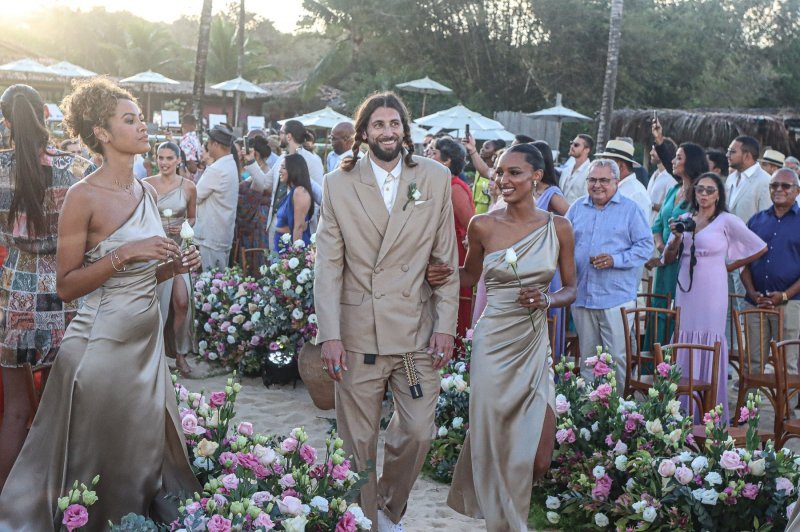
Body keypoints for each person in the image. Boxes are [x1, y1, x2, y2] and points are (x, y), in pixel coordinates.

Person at [0, 77, 201, 528]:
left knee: (138, 463)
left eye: (141, 119)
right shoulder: (82, 195)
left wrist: (174, 265)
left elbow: (144, 276)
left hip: (145, 353)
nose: (143, 127)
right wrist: (127, 252)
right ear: (103, 133)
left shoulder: (146, 191)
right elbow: (67, 285)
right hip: (99, 350)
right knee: (98, 472)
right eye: (130, 120)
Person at [314, 91, 459, 530]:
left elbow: (445, 260)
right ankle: (367, 520)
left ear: (405, 130)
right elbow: (328, 266)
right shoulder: (338, 183)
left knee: (418, 431)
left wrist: (446, 327)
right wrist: (330, 334)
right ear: (364, 133)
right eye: (378, 125)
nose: (387, 132)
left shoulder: (433, 177)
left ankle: (389, 508)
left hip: (416, 333)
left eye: (394, 124)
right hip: (358, 332)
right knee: (357, 440)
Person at [447, 143, 577, 531]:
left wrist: (549, 298)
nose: (503, 180)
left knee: (538, 457)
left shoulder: (559, 227)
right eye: (500, 172)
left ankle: (508, 514)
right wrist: (435, 273)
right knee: (492, 442)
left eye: (514, 172)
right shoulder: (483, 225)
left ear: (536, 176)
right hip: (492, 343)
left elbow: (571, 288)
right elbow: (469, 277)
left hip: (534, 345)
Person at [0, 85, 87, 490]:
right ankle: (56, 500)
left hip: (13, 294)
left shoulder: (0, 168)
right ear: (45, 115)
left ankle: (5, 502)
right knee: (60, 411)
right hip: (64, 294)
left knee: (15, 412)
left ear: (6, 122)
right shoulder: (73, 168)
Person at [663, 172, 766, 422]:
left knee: (709, 340)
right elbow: (667, 258)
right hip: (686, 287)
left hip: (713, 288)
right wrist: (676, 236)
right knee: (683, 335)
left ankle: (708, 410)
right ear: (694, 192)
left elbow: (759, 247)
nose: (705, 194)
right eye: (700, 189)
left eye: (710, 190)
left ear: (718, 194)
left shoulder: (727, 220)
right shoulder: (685, 219)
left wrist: (727, 265)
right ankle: (680, 409)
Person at [566, 159, 654, 392]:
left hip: (615, 297)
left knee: (615, 357)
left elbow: (646, 247)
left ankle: (617, 412)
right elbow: (563, 243)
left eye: (604, 180)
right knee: (587, 358)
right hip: (583, 295)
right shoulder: (576, 208)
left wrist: (616, 259)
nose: (598, 185)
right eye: (593, 180)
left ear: (616, 182)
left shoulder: (630, 209)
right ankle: (587, 414)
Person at [645, 141, 708, 344]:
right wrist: (661, 247)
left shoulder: (701, 196)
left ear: (691, 163)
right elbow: (657, 225)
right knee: (659, 312)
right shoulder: (674, 190)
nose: (673, 161)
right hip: (665, 264)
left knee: (677, 316)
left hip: (684, 265)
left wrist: (672, 249)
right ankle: (652, 369)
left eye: (679, 157)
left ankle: (671, 371)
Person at [144, 141, 197, 376]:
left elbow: (193, 217)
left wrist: (184, 225)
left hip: (180, 249)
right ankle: (155, 355)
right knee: (158, 307)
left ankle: (181, 355)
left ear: (178, 160)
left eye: (169, 158)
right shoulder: (146, 185)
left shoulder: (189, 187)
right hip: (157, 252)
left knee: (182, 302)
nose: (164, 162)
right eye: (160, 158)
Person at [740, 168, 800, 372]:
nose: (779, 189)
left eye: (785, 185)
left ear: (797, 191)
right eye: (774, 185)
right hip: (755, 302)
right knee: (752, 364)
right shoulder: (756, 221)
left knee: (786, 364)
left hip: (790, 304)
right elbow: (743, 263)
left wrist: (783, 295)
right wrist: (752, 293)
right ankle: (750, 405)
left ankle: (786, 406)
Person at [430, 137, 475, 339]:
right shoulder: (438, 183)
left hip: (456, 253)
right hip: (439, 252)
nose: (427, 156)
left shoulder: (455, 188)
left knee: (454, 308)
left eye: (433, 153)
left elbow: (472, 226)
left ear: (447, 161)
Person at [725, 135, 772, 303]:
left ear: (747, 155)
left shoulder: (765, 181)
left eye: (732, 151)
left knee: (743, 311)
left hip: (749, 260)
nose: (727, 155)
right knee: (727, 310)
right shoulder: (731, 178)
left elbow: (767, 225)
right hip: (726, 254)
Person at [263, 120, 323, 247]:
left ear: (288, 136)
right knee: (274, 264)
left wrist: (300, 223)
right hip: (276, 222)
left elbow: (317, 197)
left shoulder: (312, 160)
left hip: (297, 228)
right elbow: (264, 183)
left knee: (291, 263)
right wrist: (250, 162)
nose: (279, 136)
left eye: (281, 133)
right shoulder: (281, 159)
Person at [194, 123, 239, 271]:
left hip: (211, 237)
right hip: (222, 234)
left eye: (208, 142)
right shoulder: (230, 164)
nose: (206, 146)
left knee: (209, 284)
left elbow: (196, 196)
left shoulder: (217, 169)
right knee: (218, 284)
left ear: (216, 144)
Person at [595, 139, 652, 217]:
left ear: (621, 166)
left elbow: (640, 227)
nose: (603, 166)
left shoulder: (636, 194)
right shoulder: (614, 187)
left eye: (608, 163)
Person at [236, 135, 272, 258]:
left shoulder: (260, 174)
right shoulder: (267, 170)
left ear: (255, 154)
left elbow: (254, 194)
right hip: (258, 220)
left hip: (257, 222)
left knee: (256, 256)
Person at [273, 153, 313, 250]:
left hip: (290, 250)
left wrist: (295, 256)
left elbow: (298, 227)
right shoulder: (292, 191)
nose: (279, 170)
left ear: (293, 170)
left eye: (283, 168)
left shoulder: (299, 192)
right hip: (281, 247)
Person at [647, 137, 677, 223]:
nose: (651, 152)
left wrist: (649, 204)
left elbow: (671, 208)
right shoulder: (655, 173)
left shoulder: (671, 178)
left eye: (655, 150)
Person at [560, 134, 593, 204]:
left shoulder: (590, 172)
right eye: (571, 143)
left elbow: (588, 199)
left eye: (576, 145)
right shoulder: (566, 170)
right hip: (560, 213)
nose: (572, 146)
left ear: (586, 150)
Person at [179, 114, 203, 181]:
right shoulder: (195, 139)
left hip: (189, 178)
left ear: (183, 125)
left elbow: (191, 162)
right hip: (197, 177)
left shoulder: (187, 140)